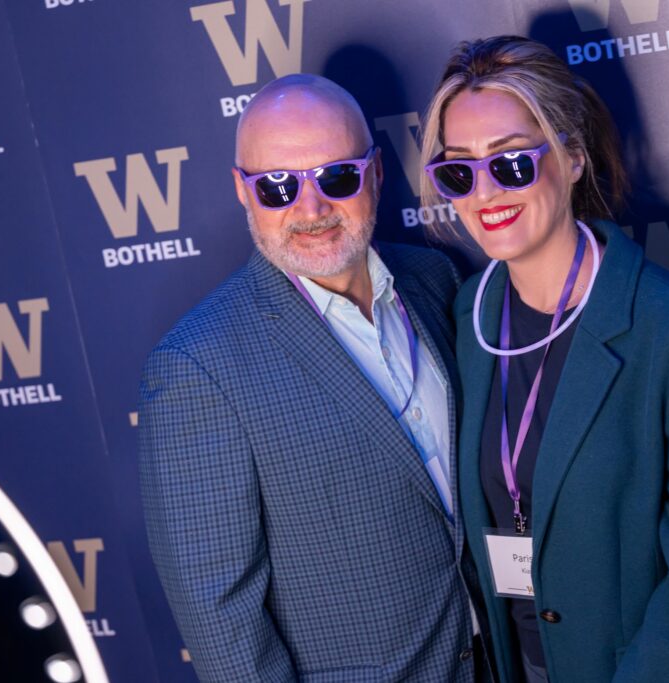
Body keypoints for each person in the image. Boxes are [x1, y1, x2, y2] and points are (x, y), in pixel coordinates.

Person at [419, 36, 669, 682]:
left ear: (574, 157)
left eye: (510, 164)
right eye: (458, 171)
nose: (483, 193)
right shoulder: (465, 317)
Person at [138, 74, 486, 682]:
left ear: (375, 174)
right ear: (243, 193)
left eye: (337, 177)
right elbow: (221, 621)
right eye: (277, 187)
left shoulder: (436, 279)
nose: (311, 209)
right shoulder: (197, 365)